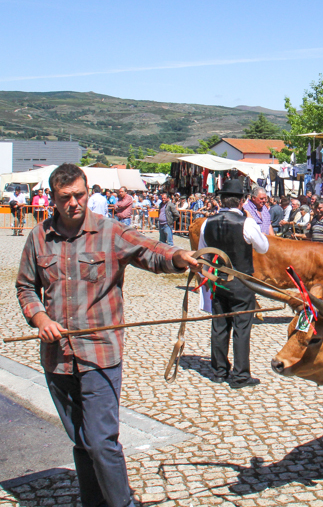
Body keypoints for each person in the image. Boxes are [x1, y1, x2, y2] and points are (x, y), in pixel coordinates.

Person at [16, 163, 199, 507]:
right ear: (53, 199)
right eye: (66, 197)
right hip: (57, 359)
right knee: (82, 442)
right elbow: (26, 287)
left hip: (99, 355)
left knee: (101, 441)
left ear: (89, 192)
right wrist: (39, 317)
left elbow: (151, 251)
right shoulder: (38, 237)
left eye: (80, 195)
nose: (74, 203)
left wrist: (180, 257)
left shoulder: (110, 231)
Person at [197, 178, 269, 388]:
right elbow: (263, 247)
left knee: (219, 325)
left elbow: (204, 251)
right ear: (241, 202)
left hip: (218, 280)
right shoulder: (246, 223)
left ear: (221, 200)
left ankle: (219, 370)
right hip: (240, 282)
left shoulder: (207, 223)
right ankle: (240, 375)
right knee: (241, 327)